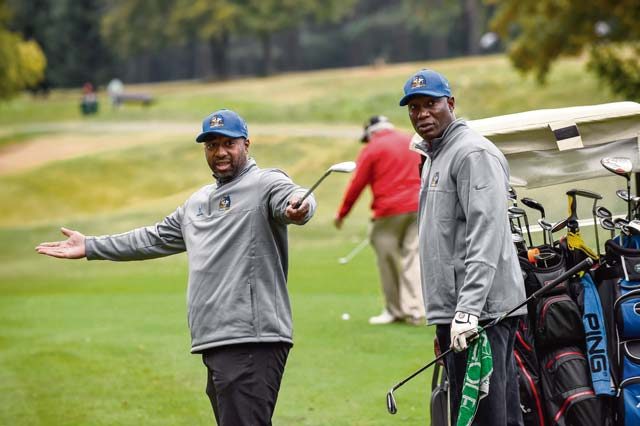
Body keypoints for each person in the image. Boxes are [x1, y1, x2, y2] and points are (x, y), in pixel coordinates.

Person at [35, 108, 316, 426]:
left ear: (246, 144)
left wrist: (300, 208)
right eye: (211, 145)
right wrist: (90, 246)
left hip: (252, 339)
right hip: (216, 340)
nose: (220, 152)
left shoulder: (265, 183)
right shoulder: (197, 203)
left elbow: (292, 199)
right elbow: (150, 238)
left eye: (228, 143)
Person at [399, 69, 526, 425]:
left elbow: (486, 233)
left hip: (479, 315)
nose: (422, 113)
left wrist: (468, 310)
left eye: (431, 104)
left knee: (484, 415)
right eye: (414, 107)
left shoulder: (471, 153)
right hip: (458, 313)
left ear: (450, 104)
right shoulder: (437, 155)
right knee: (481, 413)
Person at [334, 115, 425, 325]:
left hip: (389, 210)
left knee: (389, 260)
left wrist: (342, 214)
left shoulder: (372, 148)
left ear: (371, 133)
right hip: (420, 205)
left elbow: (358, 183)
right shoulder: (410, 139)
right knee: (413, 258)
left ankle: (395, 310)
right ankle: (416, 310)